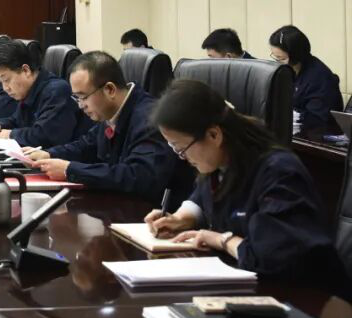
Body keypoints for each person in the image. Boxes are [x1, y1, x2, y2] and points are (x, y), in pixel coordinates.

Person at [145, 80, 345, 283]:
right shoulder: (220, 161)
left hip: (304, 292)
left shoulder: (279, 172)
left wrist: (222, 240)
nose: (182, 157)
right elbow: (204, 195)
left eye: (181, 149)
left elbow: (267, 257)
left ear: (214, 135)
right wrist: (181, 217)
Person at [24, 51, 192, 205]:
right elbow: (87, 145)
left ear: (110, 89)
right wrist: (49, 154)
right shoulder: (111, 111)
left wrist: (70, 170)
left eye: (83, 97)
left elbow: (138, 175)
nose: (81, 105)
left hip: (152, 212)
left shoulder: (149, 119)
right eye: (77, 98)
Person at [0, 40, 93, 147]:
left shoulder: (56, 91)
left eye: (6, 80)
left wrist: (11, 134)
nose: (5, 88)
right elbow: (17, 120)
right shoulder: (28, 91)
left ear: (26, 70)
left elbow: (44, 136)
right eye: (1, 82)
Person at [269, 25, 343, 132]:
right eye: (275, 57)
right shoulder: (287, 70)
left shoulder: (319, 77)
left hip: (316, 134)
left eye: (280, 58)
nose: (278, 62)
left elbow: (317, 119)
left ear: (295, 55)